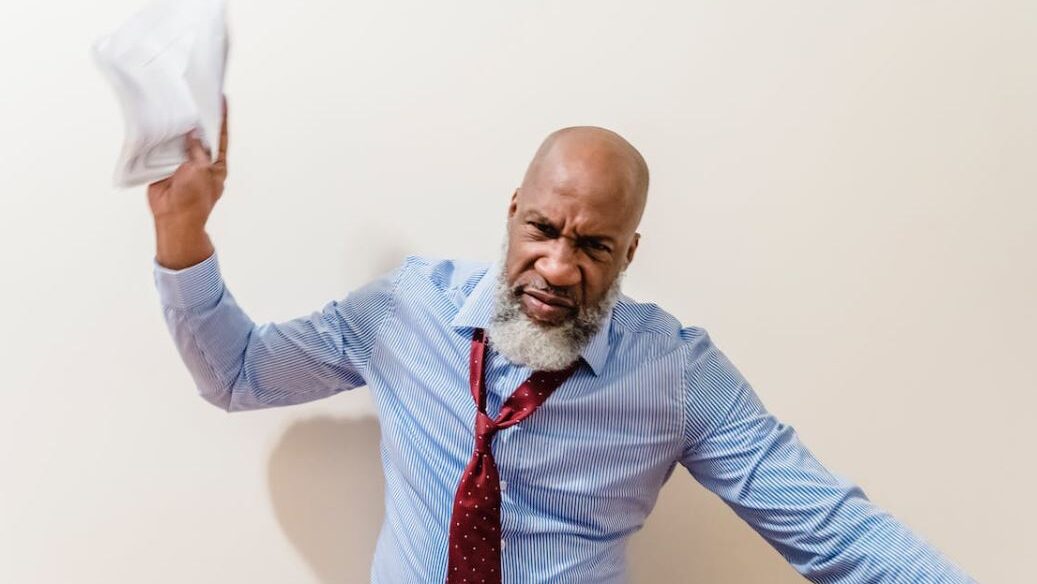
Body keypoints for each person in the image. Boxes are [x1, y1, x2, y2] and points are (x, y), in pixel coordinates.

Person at [149, 102, 975, 583]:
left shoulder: (675, 375)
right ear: (513, 211)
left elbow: (835, 530)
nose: (557, 264)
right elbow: (239, 373)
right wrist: (181, 231)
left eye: (593, 246)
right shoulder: (405, 312)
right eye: (543, 228)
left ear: (630, 253)